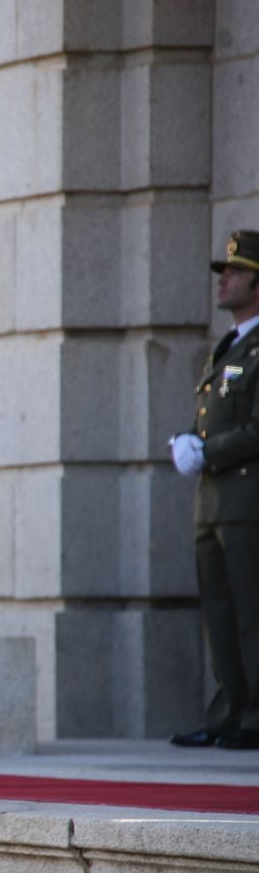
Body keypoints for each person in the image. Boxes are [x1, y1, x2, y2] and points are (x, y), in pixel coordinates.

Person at [172, 230, 259, 750]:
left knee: (251, 612)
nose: (223, 279)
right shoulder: (228, 346)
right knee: (220, 614)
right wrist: (190, 442)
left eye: (236, 271)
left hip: (246, 500)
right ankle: (229, 710)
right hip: (213, 502)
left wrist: (210, 450)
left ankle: (253, 716)